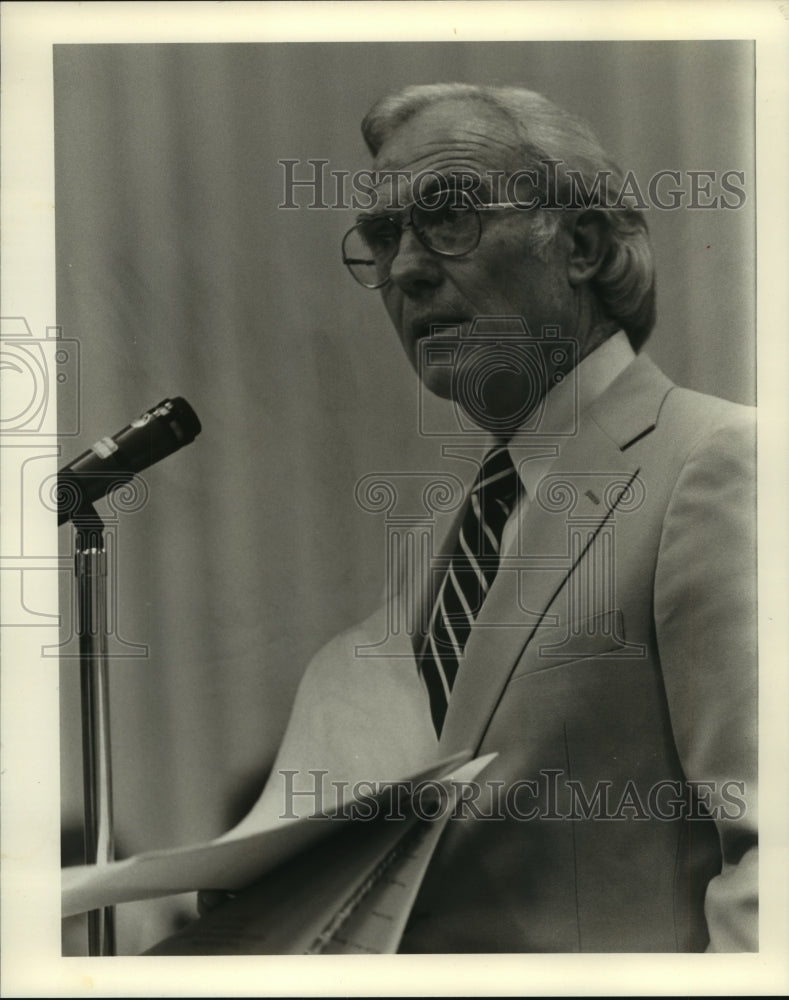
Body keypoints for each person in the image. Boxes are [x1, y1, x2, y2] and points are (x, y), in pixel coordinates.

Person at [192, 83, 758, 954]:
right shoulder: (436, 551)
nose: (408, 269)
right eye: (383, 238)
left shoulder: (718, 460)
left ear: (581, 244)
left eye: (448, 218)